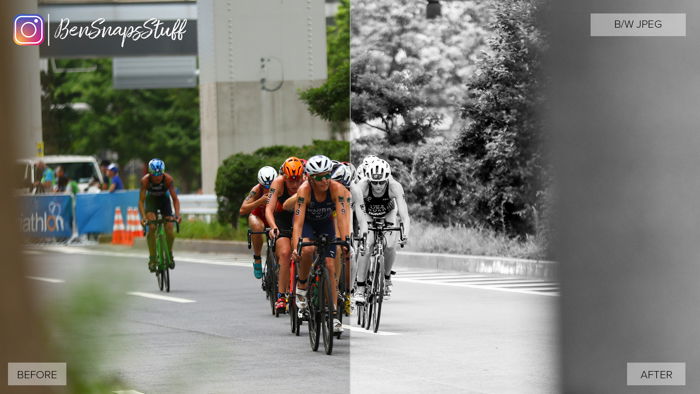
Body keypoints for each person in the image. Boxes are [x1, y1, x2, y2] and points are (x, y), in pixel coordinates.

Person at [291, 155, 350, 333]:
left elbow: (341, 218)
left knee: (330, 266)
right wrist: (296, 247)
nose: (323, 180)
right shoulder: (304, 191)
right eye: (318, 177)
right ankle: (301, 286)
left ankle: (332, 315)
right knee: (307, 250)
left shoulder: (337, 188)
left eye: (326, 175)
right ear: (310, 177)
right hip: (308, 224)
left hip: (326, 224)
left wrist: (345, 241)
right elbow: (298, 224)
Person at [352, 158, 410, 303]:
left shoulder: (395, 186)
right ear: (369, 180)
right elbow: (355, 210)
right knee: (368, 244)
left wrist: (405, 233)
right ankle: (360, 288)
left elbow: (404, 215)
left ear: (387, 179)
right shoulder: (362, 186)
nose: (378, 186)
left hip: (388, 213)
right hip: (368, 214)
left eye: (381, 182)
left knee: (390, 245)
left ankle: (387, 277)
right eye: (375, 182)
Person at [265, 157, 305, 313]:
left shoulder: (307, 182)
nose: (294, 185)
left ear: (303, 177)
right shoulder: (278, 183)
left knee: (305, 251)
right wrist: (273, 227)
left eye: (298, 180)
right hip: (282, 219)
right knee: (284, 252)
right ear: (284, 178)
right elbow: (269, 209)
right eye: (290, 181)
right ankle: (281, 296)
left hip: (301, 217)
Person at [139, 158, 181, 272]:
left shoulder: (168, 180)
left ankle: (169, 253)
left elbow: (175, 199)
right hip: (151, 202)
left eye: (159, 175)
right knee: (152, 227)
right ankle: (152, 258)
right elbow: (141, 201)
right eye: (154, 175)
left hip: (164, 201)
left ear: (163, 173)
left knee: (169, 229)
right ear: (150, 173)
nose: (157, 178)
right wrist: (143, 217)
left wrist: (177, 215)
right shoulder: (145, 181)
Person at [239, 166, 277, 279]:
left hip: (275, 218)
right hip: (259, 216)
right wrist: (259, 201)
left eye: (271, 185)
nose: (268, 188)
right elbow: (242, 210)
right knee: (256, 227)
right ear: (260, 184)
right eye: (265, 186)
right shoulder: (256, 190)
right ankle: (257, 258)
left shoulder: (281, 187)